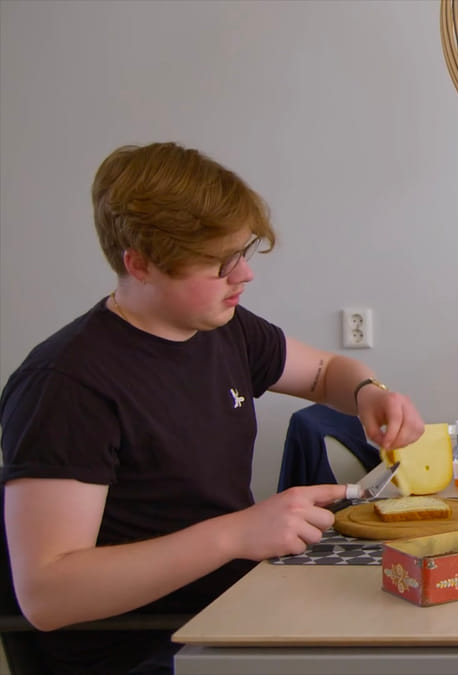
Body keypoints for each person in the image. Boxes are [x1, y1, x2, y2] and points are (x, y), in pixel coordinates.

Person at [0, 142, 425, 674]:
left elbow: (323, 373)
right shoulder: (66, 385)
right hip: (147, 649)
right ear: (141, 264)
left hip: (234, 607)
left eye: (244, 253)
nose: (244, 275)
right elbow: (47, 594)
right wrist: (236, 534)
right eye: (220, 263)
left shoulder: (224, 330)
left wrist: (368, 392)